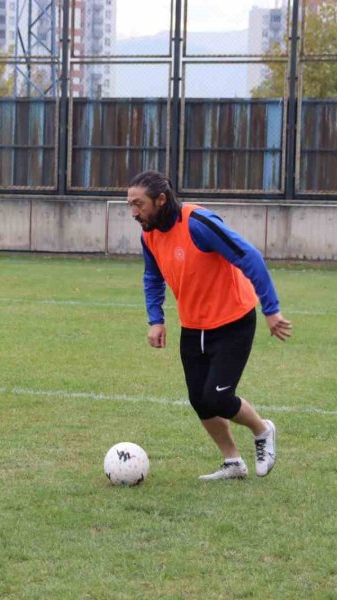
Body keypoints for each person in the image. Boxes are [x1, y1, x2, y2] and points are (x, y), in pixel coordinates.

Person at [127, 170, 292, 480]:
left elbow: (249, 256)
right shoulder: (149, 234)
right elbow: (152, 276)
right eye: (130, 205)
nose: (134, 212)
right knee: (199, 399)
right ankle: (233, 462)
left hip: (233, 322)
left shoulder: (198, 223)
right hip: (193, 326)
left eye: (139, 204)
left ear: (161, 200)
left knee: (218, 398)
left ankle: (262, 429)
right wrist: (156, 319)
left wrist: (271, 309)